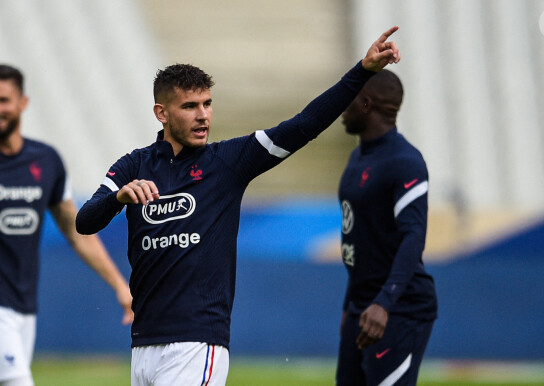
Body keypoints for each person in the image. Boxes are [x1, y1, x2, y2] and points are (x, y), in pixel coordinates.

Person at [75, 27, 401, 385]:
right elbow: (85, 221)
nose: (203, 116)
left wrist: (363, 71)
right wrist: (119, 198)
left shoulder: (227, 162)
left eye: (207, 104)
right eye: (190, 106)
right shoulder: (133, 165)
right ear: (161, 113)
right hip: (143, 344)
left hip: (197, 343)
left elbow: (304, 125)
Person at [0, 65, 134, 386]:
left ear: (23, 103)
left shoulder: (46, 161)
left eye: (4, 100)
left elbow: (77, 232)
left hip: (23, 306)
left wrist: (119, 285)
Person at [335, 69, 437, 386]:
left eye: (349, 98)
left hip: (398, 310)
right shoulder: (357, 158)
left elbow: (413, 236)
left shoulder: (405, 161)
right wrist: (349, 305)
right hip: (361, 309)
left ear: (365, 104)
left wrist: (384, 303)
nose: (342, 106)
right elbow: (357, 239)